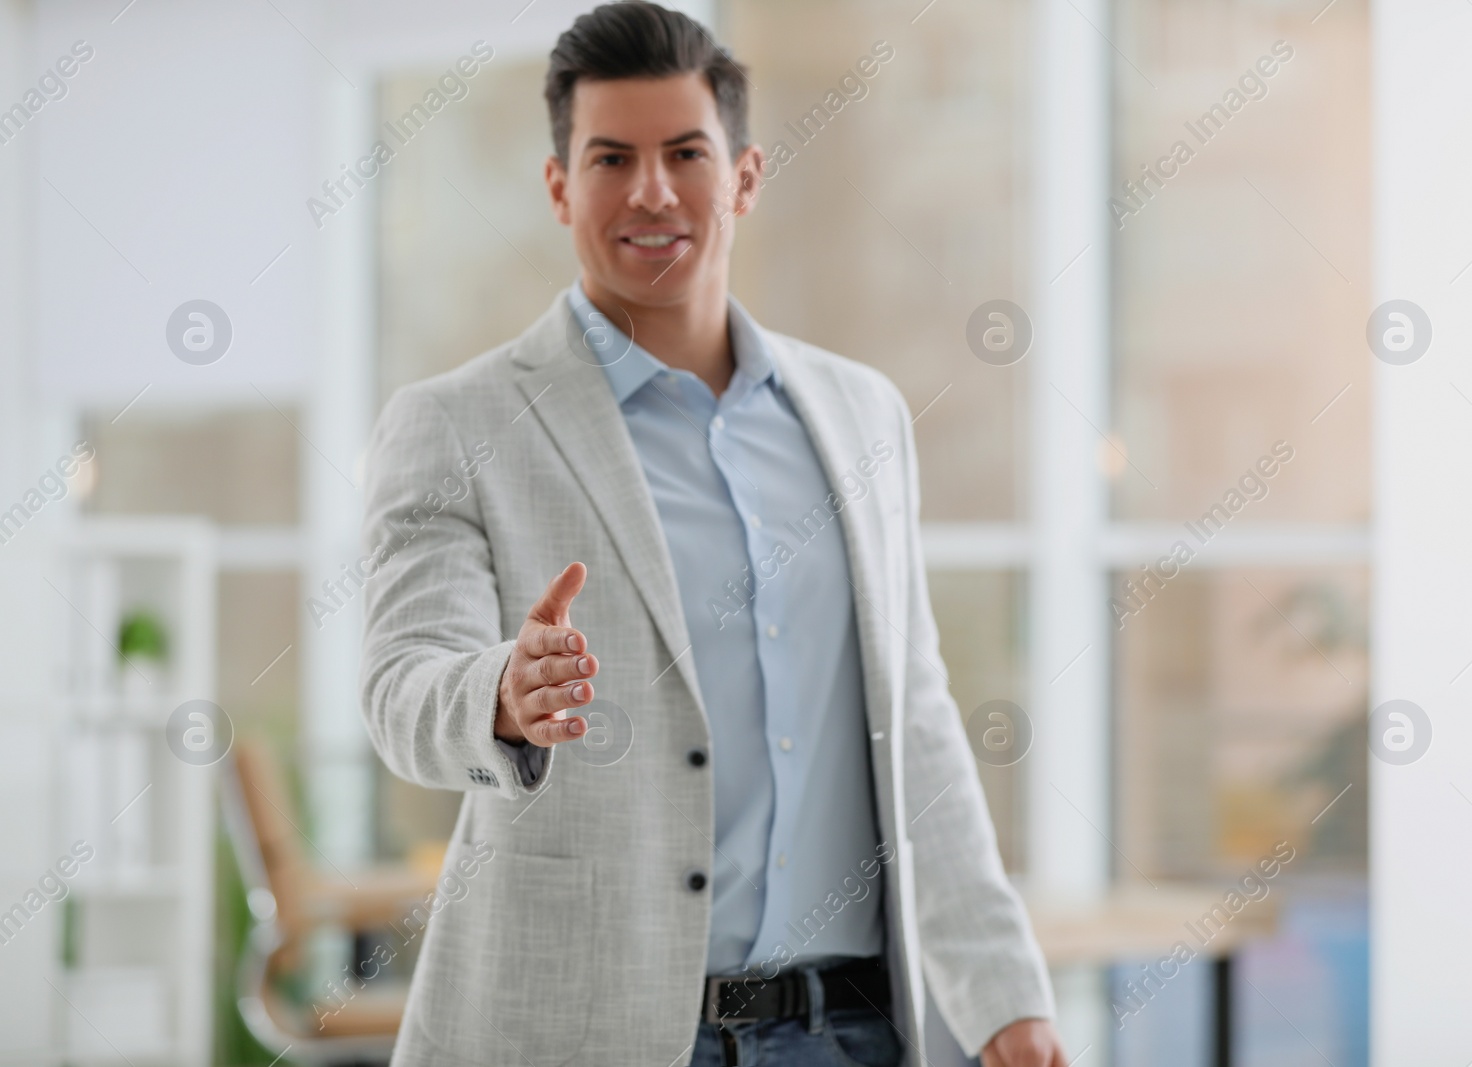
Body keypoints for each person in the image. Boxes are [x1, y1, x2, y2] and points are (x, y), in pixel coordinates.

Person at [359, 3, 1066, 1064]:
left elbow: (914, 719)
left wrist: (1004, 995)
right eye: (611, 158)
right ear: (559, 187)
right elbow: (401, 687)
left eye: (685, 152)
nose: (651, 189)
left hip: (852, 1031)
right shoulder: (454, 423)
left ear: (743, 175)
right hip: (589, 1031)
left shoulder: (860, 413)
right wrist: (500, 693)